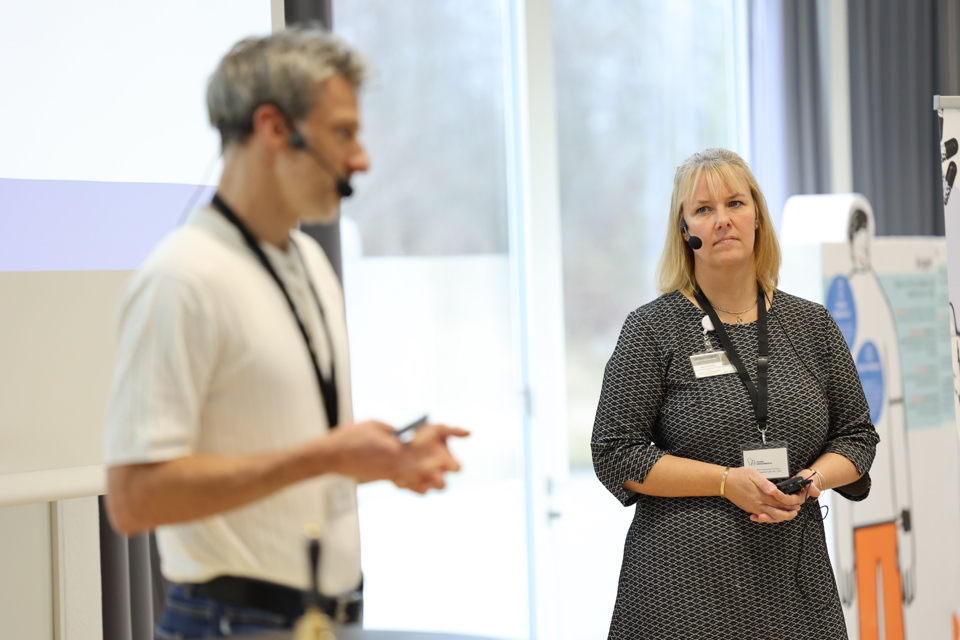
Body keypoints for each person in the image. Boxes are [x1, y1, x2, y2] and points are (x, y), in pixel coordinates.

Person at [103, 27, 468, 638]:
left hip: (322, 618)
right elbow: (135, 498)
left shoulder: (308, 262)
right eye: (343, 133)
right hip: (229, 622)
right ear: (274, 128)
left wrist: (383, 460)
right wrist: (326, 454)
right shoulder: (180, 278)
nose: (362, 160)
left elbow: (283, 454)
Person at [591, 148, 879, 639]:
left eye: (735, 204)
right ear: (685, 232)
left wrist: (810, 480)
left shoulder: (811, 324)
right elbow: (615, 454)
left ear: (758, 218)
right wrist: (726, 481)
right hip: (681, 593)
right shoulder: (652, 329)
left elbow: (857, 438)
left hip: (795, 584)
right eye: (703, 209)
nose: (722, 220)